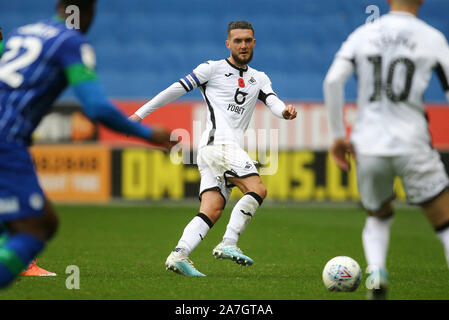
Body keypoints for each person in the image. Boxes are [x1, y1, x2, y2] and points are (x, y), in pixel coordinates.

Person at [0, 0, 173, 288]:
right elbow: (96, 107)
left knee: (41, 220)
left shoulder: (21, 33)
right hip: (6, 139)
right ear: (89, 12)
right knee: (35, 227)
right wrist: (145, 133)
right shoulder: (71, 43)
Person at [130, 20, 297, 276]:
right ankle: (229, 242)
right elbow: (174, 89)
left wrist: (285, 111)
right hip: (219, 145)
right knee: (257, 188)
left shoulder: (259, 78)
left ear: (254, 43)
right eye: (237, 41)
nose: (243, 45)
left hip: (213, 152)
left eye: (247, 40)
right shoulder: (212, 69)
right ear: (228, 44)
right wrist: (140, 115)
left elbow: (273, 101)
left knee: (212, 208)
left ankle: (179, 254)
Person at [324, 0, 449, 299]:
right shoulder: (431, 37)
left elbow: (332, 81)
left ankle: (377, 271)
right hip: (412, 142)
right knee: (444, 222)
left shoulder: (362, 35)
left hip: (367, 145)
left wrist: (339, 136)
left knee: (378, 214)